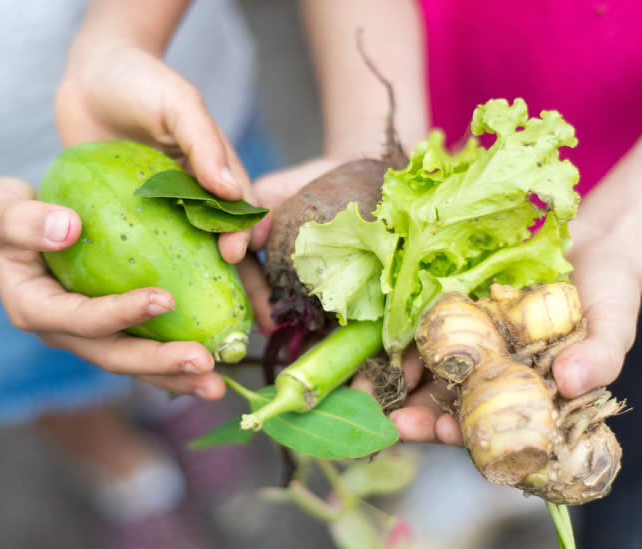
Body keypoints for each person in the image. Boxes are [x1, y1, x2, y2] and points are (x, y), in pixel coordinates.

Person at [247, 1, 641, 547]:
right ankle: (470, 474)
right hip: (439, 76)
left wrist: (626, 227)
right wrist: (369, 155)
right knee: (445, 402)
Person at [0, 1, 277, 547]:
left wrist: (123, 39)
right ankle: (127, 476)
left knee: (155, 330)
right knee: (46, 378)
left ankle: (173, 403)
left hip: (160, 119)